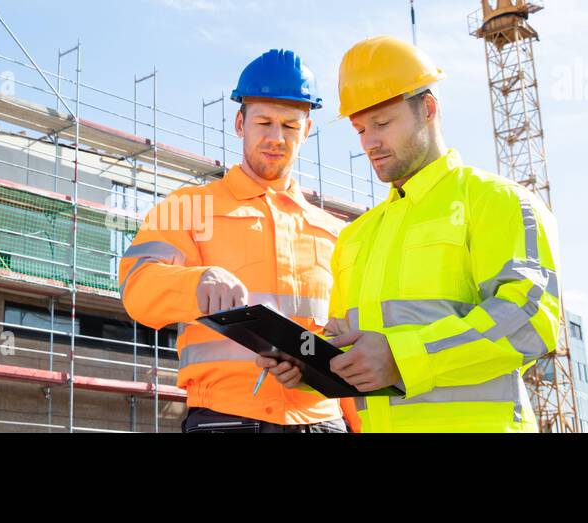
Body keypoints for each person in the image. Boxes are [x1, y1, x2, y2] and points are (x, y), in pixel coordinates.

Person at [258, 36, 562, 432]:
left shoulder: (497, 201)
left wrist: (404, 358)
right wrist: (307, 366)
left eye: (383, 123)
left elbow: (529, 319)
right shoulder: (357, 236)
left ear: (428, 108)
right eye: (360, 129)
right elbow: (354, 355)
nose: (370, 143)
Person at [119, 49, 357, 433]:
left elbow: (350, 338)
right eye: (263, 122)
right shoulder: (186, 206)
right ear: (239, 122)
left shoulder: (334, 231)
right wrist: (194, 282)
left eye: (290, 126)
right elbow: (137, 288)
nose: (276, 138)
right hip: (228, 418)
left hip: (323, 420)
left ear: (307, 131)